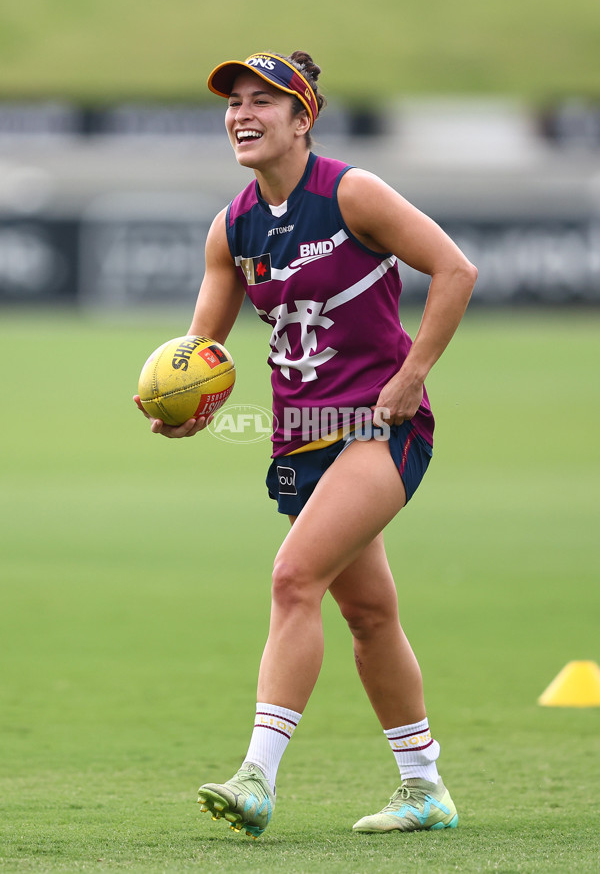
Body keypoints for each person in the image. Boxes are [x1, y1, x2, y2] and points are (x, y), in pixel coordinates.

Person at [134, 50, 477, 839]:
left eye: (263, 101)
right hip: (299, 441)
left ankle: (257, 775)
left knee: (294, 579)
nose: (242, 115)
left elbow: (455, 270)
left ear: (303, 118)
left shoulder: (351, 192)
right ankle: (424, 787)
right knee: (368, 615)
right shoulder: (234, 227)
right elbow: (201, 355)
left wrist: (412, 376)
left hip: (379, 428)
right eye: (233, 104)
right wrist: (187, 407)